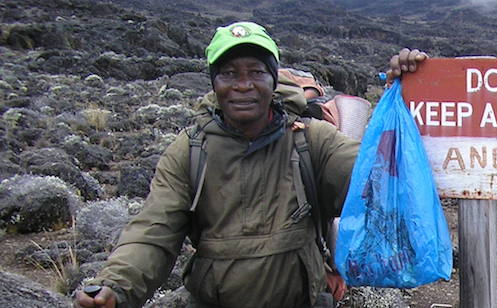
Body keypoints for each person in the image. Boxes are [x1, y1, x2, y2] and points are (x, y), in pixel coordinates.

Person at [74, 21, 427, 308]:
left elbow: (379, 176)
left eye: (256, 72)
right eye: (229, 73)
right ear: (214, 83)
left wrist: (407, 96)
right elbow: (154, 232)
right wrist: (115, 286)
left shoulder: (309, 140)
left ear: (273, 80)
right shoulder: (190, 150)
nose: (243, 85)